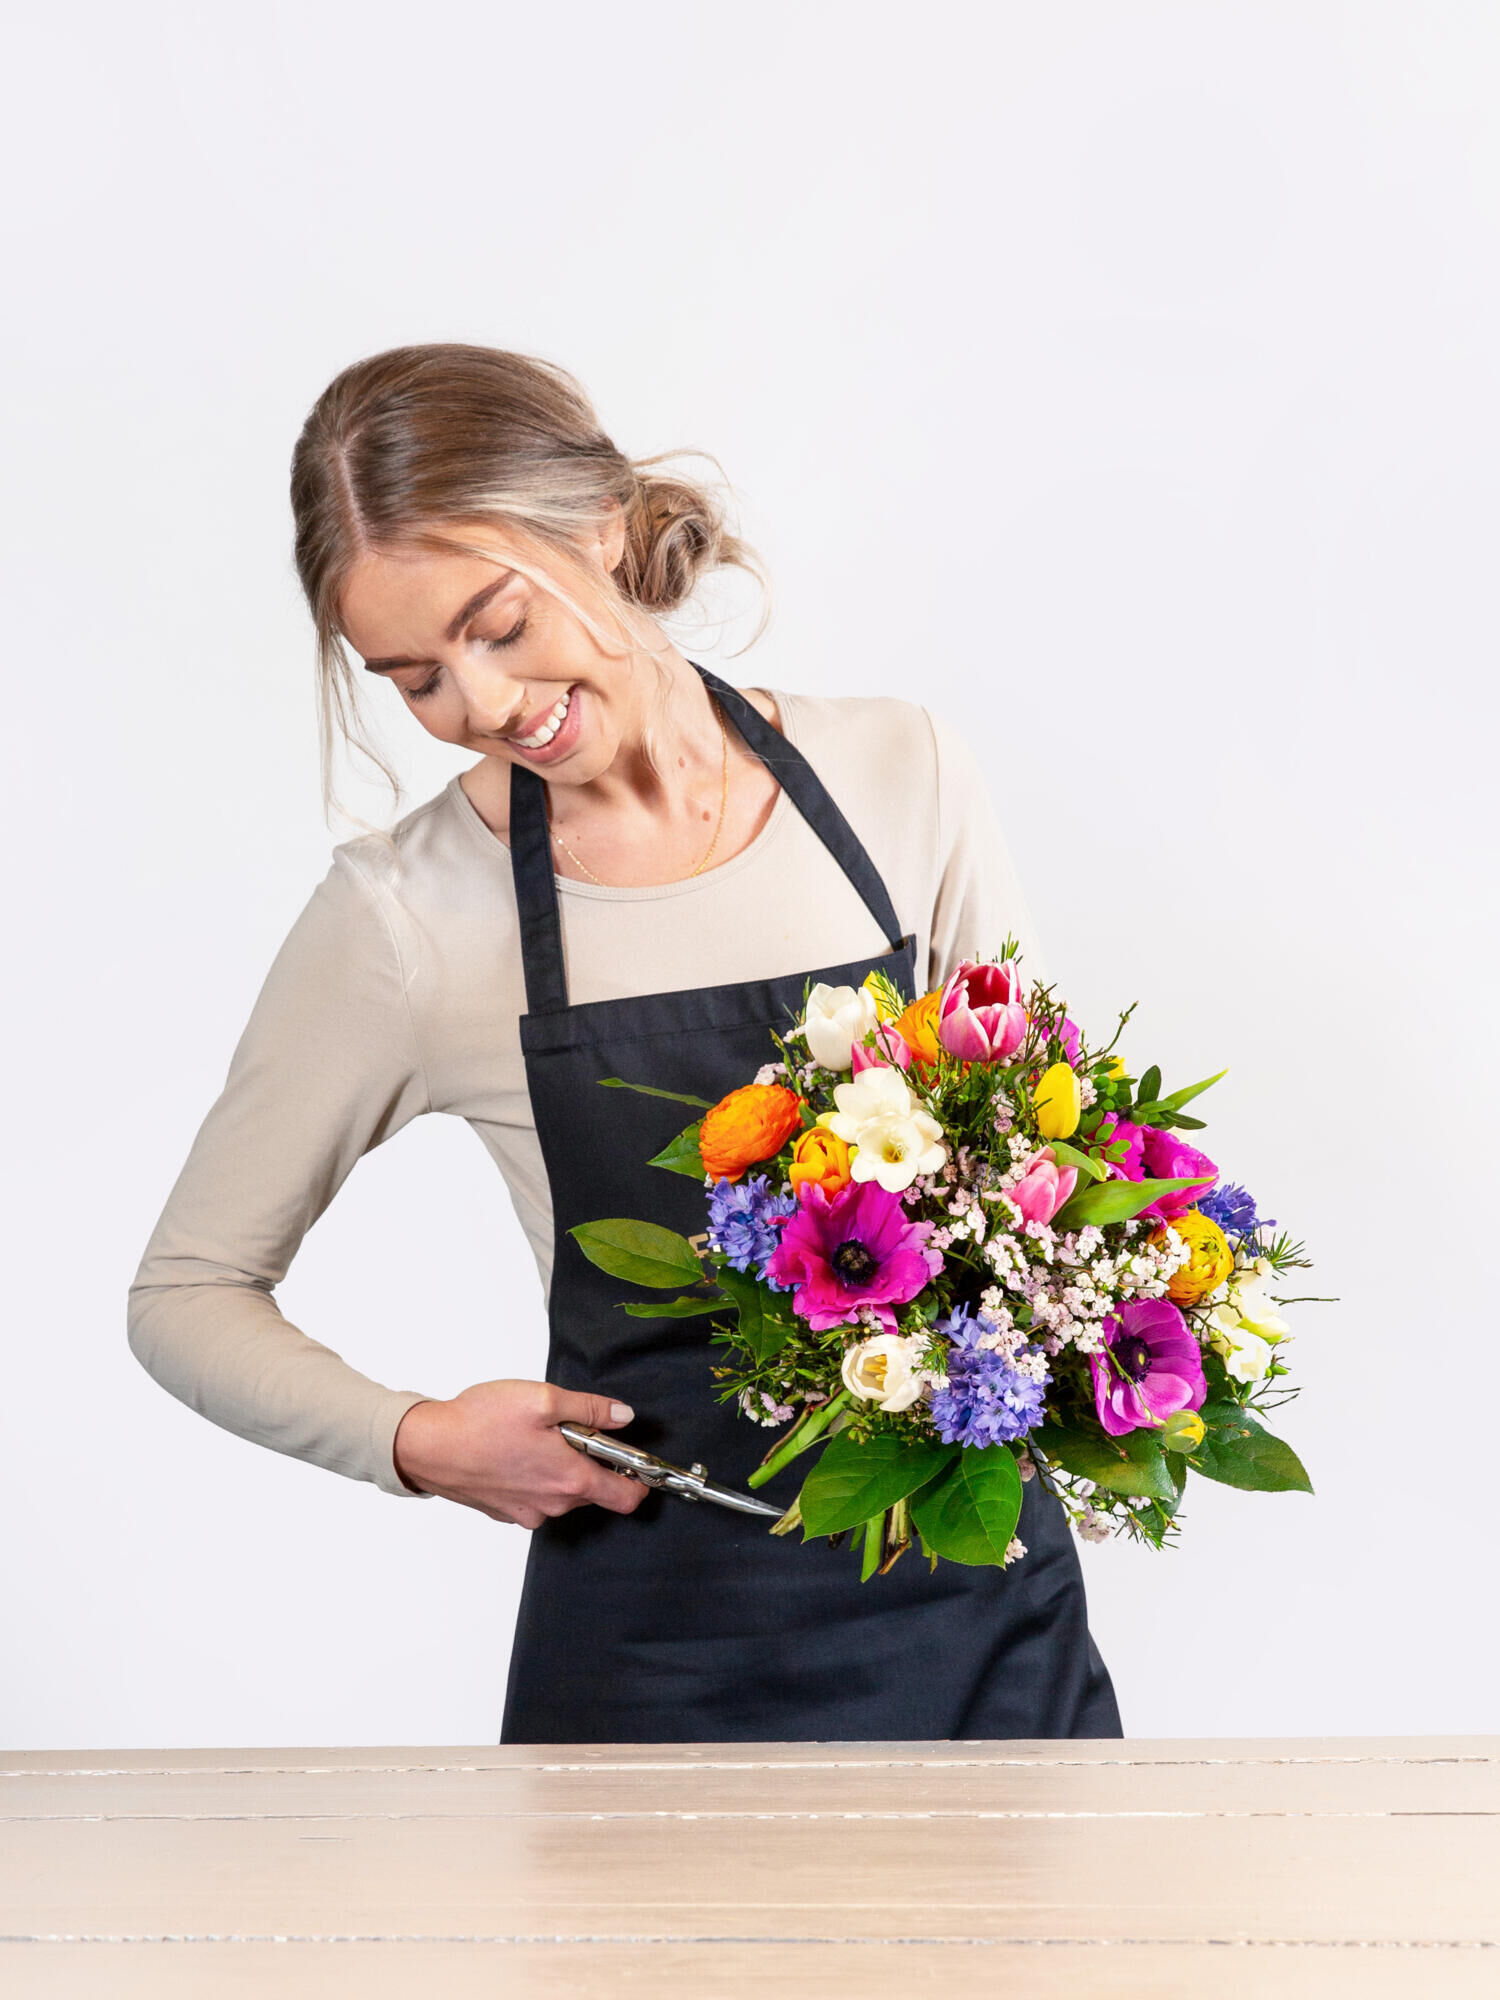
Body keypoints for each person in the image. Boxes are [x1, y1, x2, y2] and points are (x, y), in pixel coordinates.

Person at [127, 342, 1122, 1745]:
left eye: (497, 625)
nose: (480, 705)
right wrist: (418, 1441)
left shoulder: (899, 775)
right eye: (415, 678)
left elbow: (1051, 1165)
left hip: (987, 1625)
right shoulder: (408, 917)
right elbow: (184, 1291)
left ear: (602, 525)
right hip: (661, 1657)